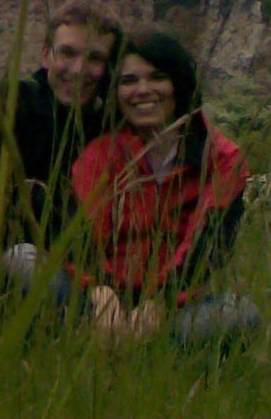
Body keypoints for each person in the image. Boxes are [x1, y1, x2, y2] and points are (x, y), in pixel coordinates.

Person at [63, 26, 259, 350]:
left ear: (178, 84)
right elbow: (79, 240)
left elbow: (207, 248)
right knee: (26, 266)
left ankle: (154, 354)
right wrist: (102, 294)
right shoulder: (99, 155)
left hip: (177, 304)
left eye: (156, 77)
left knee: (237, 315)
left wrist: (158, 304)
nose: (143, 90)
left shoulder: (223, 160)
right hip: (99, 297)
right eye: (128, 81)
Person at [0, 0, 123, 282]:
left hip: (47, 264)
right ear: (47, 55)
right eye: (68, 53)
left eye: (94, 58)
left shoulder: (115, 133)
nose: (79, 69)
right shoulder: (7, 103)